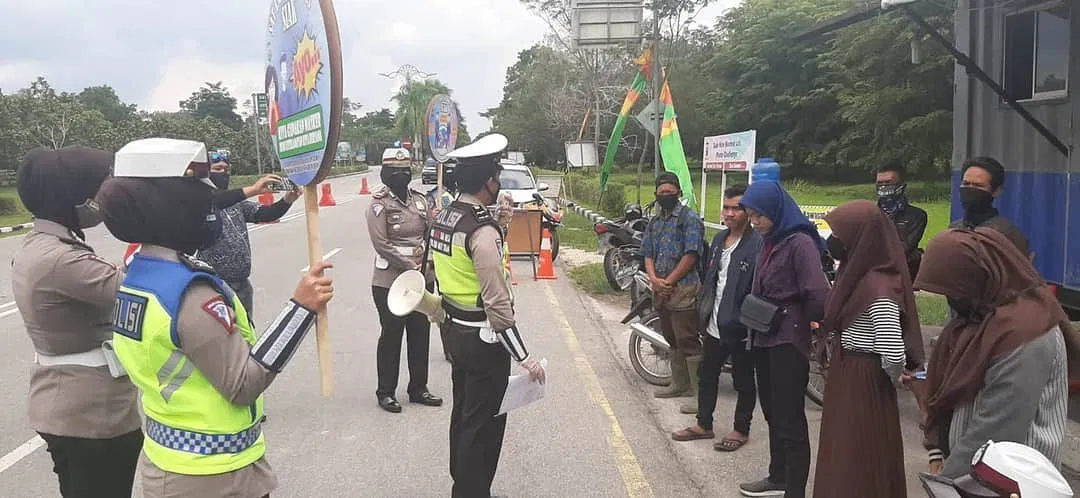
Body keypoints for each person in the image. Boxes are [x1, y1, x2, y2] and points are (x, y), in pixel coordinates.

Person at [98, 137, 335, 498]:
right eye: (202, 203)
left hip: (171, 459)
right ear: (172, 208)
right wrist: (301, 308)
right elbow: (243, 383)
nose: (210, 212)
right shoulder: (188, 292)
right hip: (213, 476)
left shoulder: (139, 274)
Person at [12, 146, 142, 497]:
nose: (106, 194)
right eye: (102, 185)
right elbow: (135, 291)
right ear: (74, 194)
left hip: (66, 405)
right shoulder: (62, 259)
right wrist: (156, 223)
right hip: (92, 417)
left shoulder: (42, 244)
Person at [908, 227, 1080, 480]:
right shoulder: (979, 318)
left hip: (1011, 480)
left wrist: (947, 483)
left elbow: (997, 428)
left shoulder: (1026, 333)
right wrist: (937, 450)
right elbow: (944, 390)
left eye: (954, 291)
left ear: (978, 278)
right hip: (971, 475)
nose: (951, 299)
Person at [430, 133, 545, 497]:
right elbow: (497, 303)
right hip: (483, 341)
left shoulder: (445, 217)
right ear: (487, 181)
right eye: (496, 176)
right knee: (484, 426)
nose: (499, 183)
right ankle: (471, 491)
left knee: (464, 414)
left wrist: (502, 226)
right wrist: (524, 357)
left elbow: (452, 269)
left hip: (455, 332)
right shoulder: (481, 229)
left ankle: (461, 484)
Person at [812, 199, 925, 498]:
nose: (833, 240)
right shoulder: (856, 272)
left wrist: (893, 377)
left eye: (839, 234)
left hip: (864, 376)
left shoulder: (879, 285)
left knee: (858, 455)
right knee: (843, 451)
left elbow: (891, 349)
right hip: (849, 369)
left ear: (861, 238)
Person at [737, 181, 831, 498]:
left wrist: (813, 321)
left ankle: (795, 490)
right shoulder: (769, 241)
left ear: (775, 210)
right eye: (750, 216)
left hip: (788, 339)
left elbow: (817, 291)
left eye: (759, 215)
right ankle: (777, 476)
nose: (755, 222)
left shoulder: (799, 243)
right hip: (763, 335)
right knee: (773, 412)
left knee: (790, 417)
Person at [670, 184, 761, 452]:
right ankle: (704, 424)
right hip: (714, 324)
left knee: (743, 380)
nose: (730, 213)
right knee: (706, 374)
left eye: (737, 208)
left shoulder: (758, 245)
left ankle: (741, 429)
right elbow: (712, 280)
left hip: (741, 327)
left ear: (749, 211)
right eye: (727, 207)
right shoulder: (720, 240)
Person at [367, 147, 443, 413]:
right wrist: (409, 264)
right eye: (395, 171)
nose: (401, 174)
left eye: (405, 170)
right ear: (385, 173)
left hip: (421, 279)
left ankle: (418, 388)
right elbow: (381, 243)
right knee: (391, 335)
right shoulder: (379, 204)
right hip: (390, 281)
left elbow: (430, 233)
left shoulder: (421, 201)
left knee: (420, 332)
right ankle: (386, 391)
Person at [201, 150, 301, 316]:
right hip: (214, 287)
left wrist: (286, 201)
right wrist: (254, 189)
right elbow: (214, 201)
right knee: (224, 337)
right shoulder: (199, 203)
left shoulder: (236, 203)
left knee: (246, 335)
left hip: (242, 285)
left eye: (226, 170)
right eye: (218, 169)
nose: (223, 174)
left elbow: (264, 214)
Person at [641, 172, 706, 400]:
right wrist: (655, 280)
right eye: (661, 193)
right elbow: (647, 253)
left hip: (684, 288)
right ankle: (679, 384)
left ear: (678, 192)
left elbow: (691, 255)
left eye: (670, 192)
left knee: (687, 338)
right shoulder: (655, 221)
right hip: (660, 289)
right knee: (671, 337)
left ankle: (700, 397)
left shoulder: (689, 219)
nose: (666, 196)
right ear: (656, 195)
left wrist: (669, 281)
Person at [950, 156, 1030, 257]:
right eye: (966, 184)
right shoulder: (953, 230)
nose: (970, 189)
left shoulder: (1008, 236)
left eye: (978, 185)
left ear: (996, 191)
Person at [875, 163, 928, 279]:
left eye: (888, 183)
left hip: (901, 275)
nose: (883, 187)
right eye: (880, 183)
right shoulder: (869, 213)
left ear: (901, 186)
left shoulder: (917, 216)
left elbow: (905, 249)